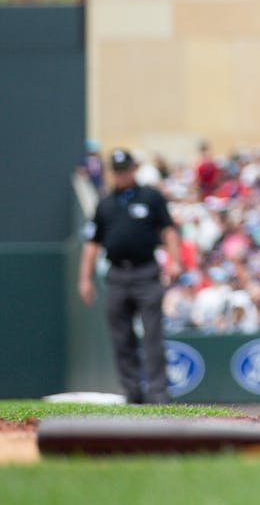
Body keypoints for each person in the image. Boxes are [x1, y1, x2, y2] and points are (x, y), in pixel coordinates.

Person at [78, 149, 182, 404]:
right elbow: (92, 243)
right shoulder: (105, 204)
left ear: (134, 169)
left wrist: (175, 260)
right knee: (121, 337)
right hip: (116, 275)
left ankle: (158, 393)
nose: (121, 175)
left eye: (125, 170)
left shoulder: (151, 197)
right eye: (117, 170)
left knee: (152, 334)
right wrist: (84, 278)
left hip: (146, 271)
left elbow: (168, 230)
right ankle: (132, 392)